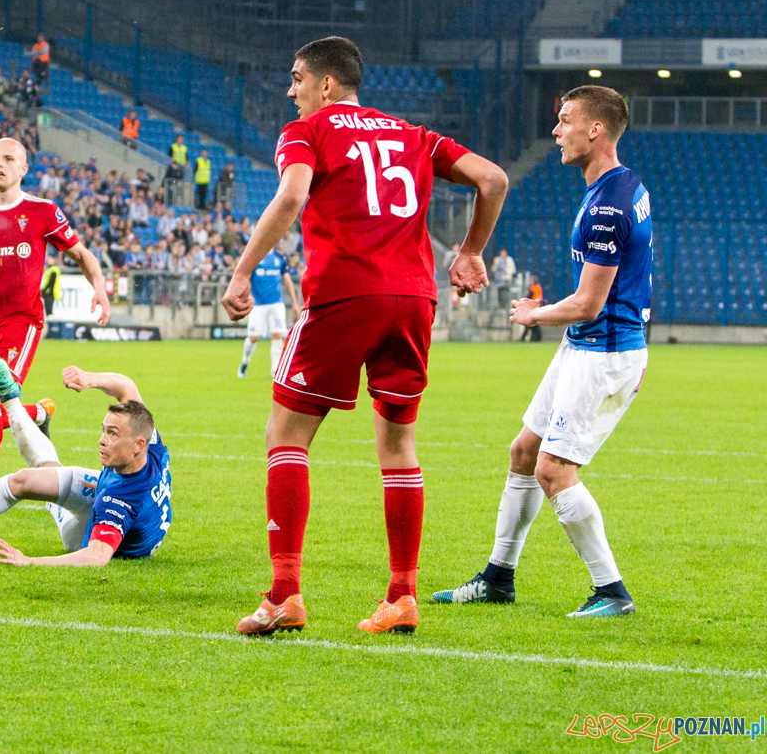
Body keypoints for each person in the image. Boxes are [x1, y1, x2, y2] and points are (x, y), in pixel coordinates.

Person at [219, 36, 508, 637]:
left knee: (286, 434)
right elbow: (493, 179)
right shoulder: (412, 134)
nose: (291, 91)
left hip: (346, 292)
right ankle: (402, 595)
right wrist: (470, 252)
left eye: (297, 78)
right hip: (414, 298)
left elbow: (292, 195)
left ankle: (284, 594)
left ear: (326, 84)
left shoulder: (308, 131)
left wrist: (242, 270)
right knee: (398, 446)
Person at [434, 86, 651, 619]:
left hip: (602, 352)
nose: (556, 130)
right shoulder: (621, 185)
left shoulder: (607, 207)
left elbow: (588, 304)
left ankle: (612, 591)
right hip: (589, 347)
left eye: (566, 119)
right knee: (524, 453)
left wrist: (535, 313)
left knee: (554, 471)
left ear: (595, 129)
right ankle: (497, 578)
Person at [0, 360, 170, 566]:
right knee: (22, 481)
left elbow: (97, 556)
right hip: (112, 489)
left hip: (88, 534)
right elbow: (126, 386)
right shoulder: (149, 443)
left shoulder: (119, 502)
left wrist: (30, 561)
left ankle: (14, 403)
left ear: (138, 445)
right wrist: (88, 379)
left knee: (48, 473)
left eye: (112, 434)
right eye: (103, 431)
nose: (101, 440)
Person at [0, 137, 111, 486]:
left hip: (21, 320)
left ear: (23, 169)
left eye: (8, 159)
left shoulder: (42, 211)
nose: (0, 164)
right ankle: (37, 413)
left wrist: (99, 287)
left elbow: (82, 254)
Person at [237, 248, 300, 381]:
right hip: (258, 304)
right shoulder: (255, 256)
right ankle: (245, 360)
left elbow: (287, 280)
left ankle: (275, 369)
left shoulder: (280, 258)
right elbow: (246, 278)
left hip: (276, 303)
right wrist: (248, 295)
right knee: (254, 337)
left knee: (277, 335)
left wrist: (294, 302)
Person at [40, 251, 60, 318]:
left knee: (49, 311)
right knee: (47, 311)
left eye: (50, 258)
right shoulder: (49, 269)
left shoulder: (54, 269)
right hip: (47, 292)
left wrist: (44, 290)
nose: (48, 260)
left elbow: (51, 282)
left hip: (51, 292)